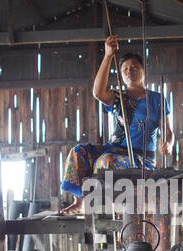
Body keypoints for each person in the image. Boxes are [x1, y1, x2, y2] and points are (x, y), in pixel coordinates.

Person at [60, 35, 175, 215]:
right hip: (113, 149)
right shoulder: (117, 98)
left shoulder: (157, 99)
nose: (129, 71)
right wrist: (107, 56)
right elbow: (98, 92)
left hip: (140, 158)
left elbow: (168, 132)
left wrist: (168, 144)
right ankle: (80, 202)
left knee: (106, 161)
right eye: (125, 69)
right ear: (121, 75)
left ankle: (117, 204)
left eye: (134, 68)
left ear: (144, 71)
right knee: (77, 152)